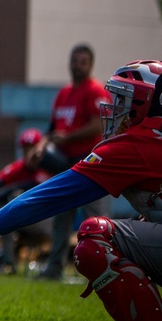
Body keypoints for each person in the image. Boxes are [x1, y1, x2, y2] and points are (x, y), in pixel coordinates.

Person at [0, 60, 162, 321]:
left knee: (96, 235)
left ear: (144, 104)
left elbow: (48, 196)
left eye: (122, 100)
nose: (112, 109)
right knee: (148, 225)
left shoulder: (139, 144)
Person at [27, 43, 113, 279]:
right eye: (75, 60)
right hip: (66, 163)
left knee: (97, 218)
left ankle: (109, 267)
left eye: (83, 61)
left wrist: (67, 137)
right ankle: (55, 267)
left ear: (90, 64)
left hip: (90, 162)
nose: (77, 65)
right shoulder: (64, 93)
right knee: (61, 216)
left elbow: (98, 126)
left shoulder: (95, 90)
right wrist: (41, 146)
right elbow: (52, 129)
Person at [0, 128, 51, 272]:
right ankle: (7, 264)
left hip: (47, 223)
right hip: (25, 222)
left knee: (12, 204)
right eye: (25, 149)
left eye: (31, 148)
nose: (28, 153)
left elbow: (22, 186)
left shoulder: (48, 168)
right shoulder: (19, 167)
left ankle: (8, 263)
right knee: (4, 208)